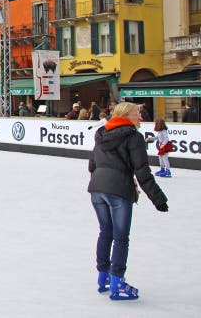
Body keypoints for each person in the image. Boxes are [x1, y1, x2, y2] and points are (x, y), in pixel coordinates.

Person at [88, 101, 168, 300]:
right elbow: (142, 172)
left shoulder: (101, 134)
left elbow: (92, 165)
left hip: (97, 189)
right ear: (126, 116)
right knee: (121, 237)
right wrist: (158, 198)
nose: (141, 118)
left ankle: (103, 277)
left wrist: (100, 182)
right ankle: (117, 283)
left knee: (106, 232)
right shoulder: (134, 137)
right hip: (117, 191)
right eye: (137, 114)